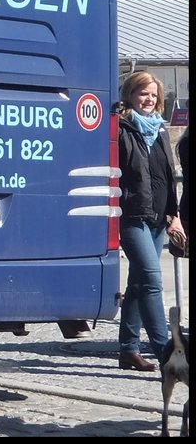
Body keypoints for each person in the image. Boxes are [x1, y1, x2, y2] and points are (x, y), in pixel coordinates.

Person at [115, 71, 187, 372]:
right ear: (131, 94)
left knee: (137, 283)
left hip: (159, 217)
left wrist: (175, 215)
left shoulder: (158, 130)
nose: (149, 99)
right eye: (144, 93)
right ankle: (166, 351)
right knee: (152, 281)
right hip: (130, 215)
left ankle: (128, 348)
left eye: (154, 95)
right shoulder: (120, 129)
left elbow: (168, 177)